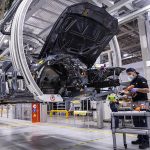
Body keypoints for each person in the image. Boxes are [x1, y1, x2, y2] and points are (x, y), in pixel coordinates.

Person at [123, 68, 149, 149]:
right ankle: (140, 138)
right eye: (128, 74)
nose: (129, 75)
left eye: (130, 73)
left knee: (142, 121)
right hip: (134, 103)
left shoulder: (141, 79)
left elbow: (147, 90)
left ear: (134, 72)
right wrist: (126, 93)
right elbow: (132, 93)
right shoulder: (132, 81)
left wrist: (137, 89)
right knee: (136, 121)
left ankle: (146, 141)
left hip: (142, 102)